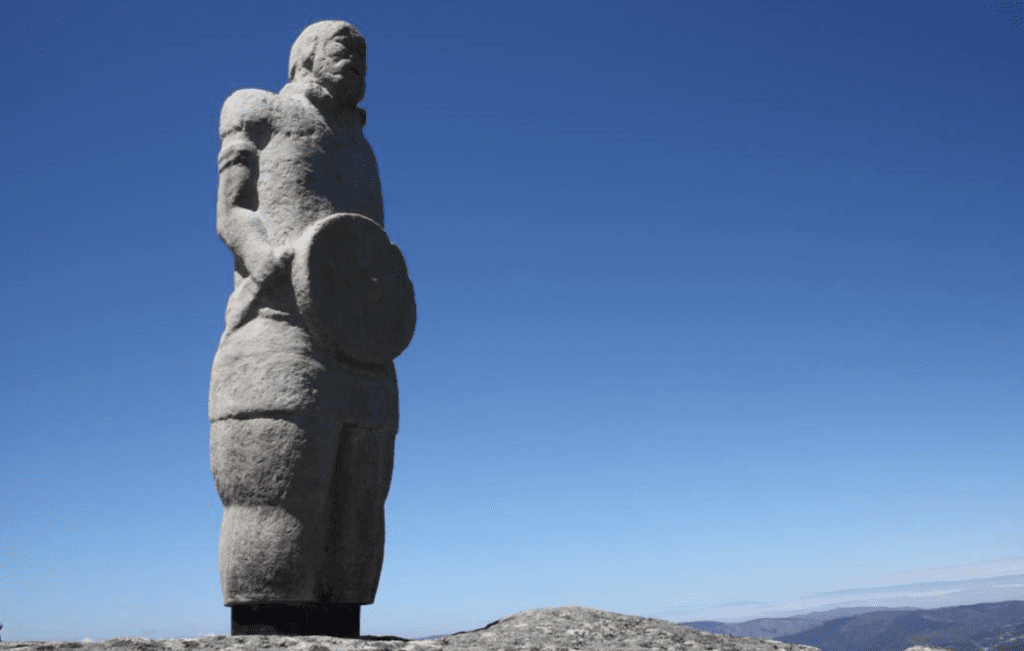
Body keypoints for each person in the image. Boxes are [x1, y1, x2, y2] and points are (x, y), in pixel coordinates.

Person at [209, 20, 409, 638]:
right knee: (277, 501)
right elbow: (232, 210)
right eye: (343, 49)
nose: (358, 63)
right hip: (277, 324)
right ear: (303, 57)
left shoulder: (362, 148)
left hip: (365, 343)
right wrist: (265, 256)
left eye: (365, 58)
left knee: (358, 512)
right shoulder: (255, 107)